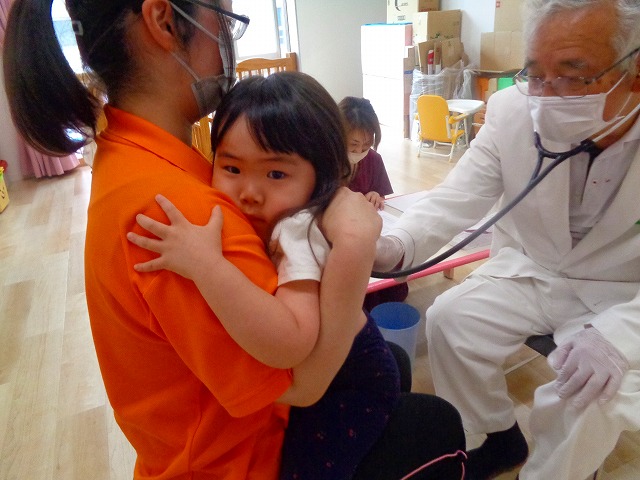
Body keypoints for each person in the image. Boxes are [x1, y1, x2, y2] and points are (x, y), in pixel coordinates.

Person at [3, 1, 465, 478]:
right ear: (164, 21)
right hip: (239, 461)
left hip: (201, 441)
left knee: (393, 369)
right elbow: (301, 382)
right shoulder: (178, 215)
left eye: (275, 172)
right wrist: (354, 245)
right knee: (438, 425)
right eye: (223, 16)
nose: (249, 192)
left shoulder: (131, 156)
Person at [373, 0, 640, 479]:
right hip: (534, 268)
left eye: (572, 76)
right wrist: (396, 244)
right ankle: (496, 437)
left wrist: (620, 338)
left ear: (634, 71)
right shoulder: (512, 111)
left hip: (623, 295)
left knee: (589, 394)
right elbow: (458, 196)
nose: (547, 96)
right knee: (450, 319)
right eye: (535, 74)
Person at [127, 71, 402, 480]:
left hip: (353, 381)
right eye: (231, 167)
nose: (249, 192)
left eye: (275, 174)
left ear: (320, 178)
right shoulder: (249, 214)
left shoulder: (295, 230)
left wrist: (206, 266)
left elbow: (291, 342)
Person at [339, 96, 409, 310]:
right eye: (353, 145)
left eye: (366, 145)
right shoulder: (326, 161)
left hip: (373, 234)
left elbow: (381, 196)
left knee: (395, 286)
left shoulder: (373, 160)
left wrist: (376, 195)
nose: (359, 152)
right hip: (343, 236)